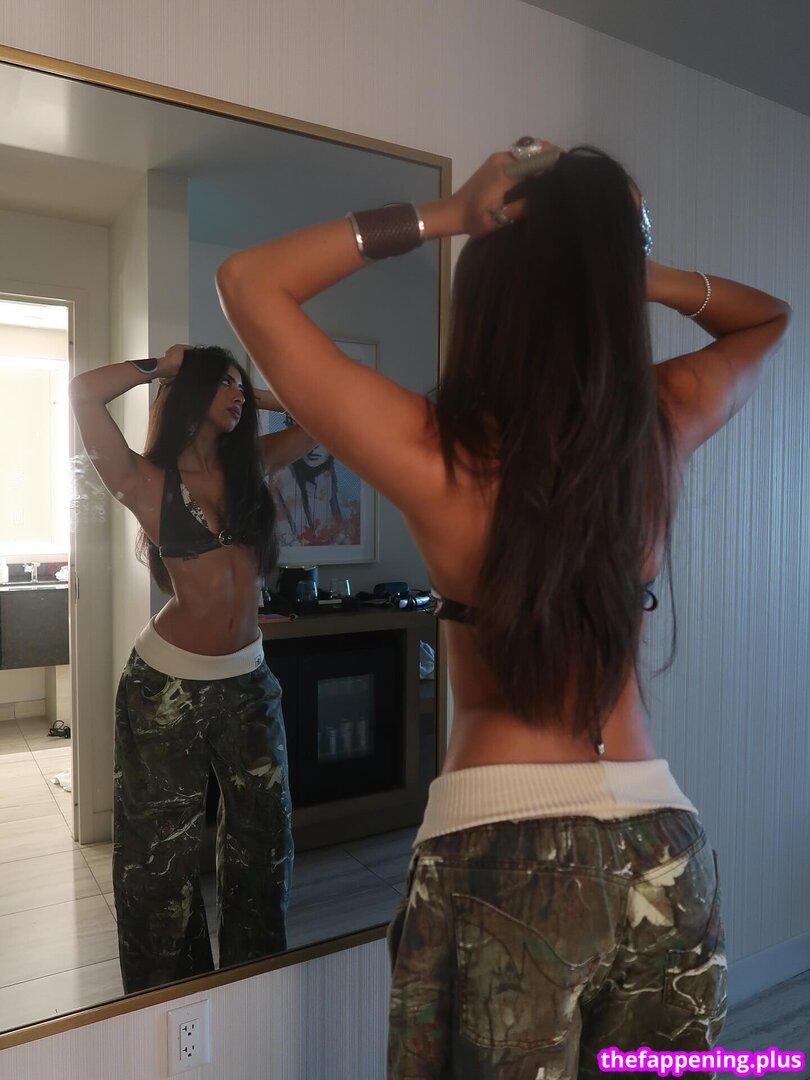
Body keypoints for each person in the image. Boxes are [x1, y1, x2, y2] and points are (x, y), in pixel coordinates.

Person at [214, 142, 791, 1076]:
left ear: (492, 290)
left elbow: (249, 283)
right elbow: (767, 319)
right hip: (663, 849)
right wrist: (621, 268)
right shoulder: (660, 423)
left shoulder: (437, 451)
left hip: (504, 859)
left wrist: (445, 217)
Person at [69, 344, 316, 993]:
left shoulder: (250, 466)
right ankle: (171, 1004)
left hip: (249, 682)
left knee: (265, 846)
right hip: (166, 689)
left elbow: (322, 418)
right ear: (192, 390)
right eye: (224, 383)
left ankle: (251, 988)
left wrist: (246, 394)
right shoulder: (145, 479)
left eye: (242, 384)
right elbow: (84, 391)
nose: (238, 393)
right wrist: (165, 368)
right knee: (161, 862)